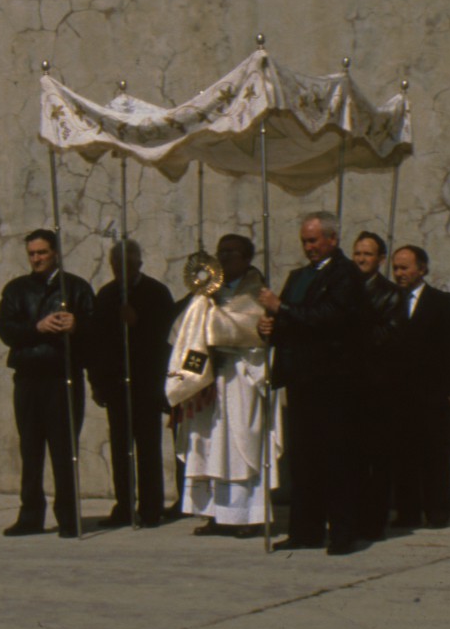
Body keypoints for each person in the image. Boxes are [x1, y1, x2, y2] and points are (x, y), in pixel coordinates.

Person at [257, 211, 370, 555]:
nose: (309, 248)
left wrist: (282, 309)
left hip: (334, 380)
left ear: (332, 240)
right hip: (302, 379)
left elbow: (329, 319)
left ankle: (343, 532)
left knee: (336, 458)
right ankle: (305, 529)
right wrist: (271, 328)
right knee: (304, 460)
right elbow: (292, 323)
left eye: (314, 241)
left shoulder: (345, 275)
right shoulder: (299, 276)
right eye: (305, 241)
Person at [0, 229, 95, 538]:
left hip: (62, 378)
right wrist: (37, 327)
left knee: (65, 450)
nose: (37, 259)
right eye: (32, 254)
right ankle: (30, 515)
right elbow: (5, 328)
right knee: (31, 450)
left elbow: (97, 331)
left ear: (56, 253)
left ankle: (68, 516)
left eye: (42, 253)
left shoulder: (75, 288)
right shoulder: (16, 289)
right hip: (28, 378)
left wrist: (77, 325)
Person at [171, 234, 269, 536]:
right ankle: (214, 513)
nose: (224, 258)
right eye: (220, 251)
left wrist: (213, 326)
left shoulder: (255, 293)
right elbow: (183, 331)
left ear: (247, 258)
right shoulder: (205, 294)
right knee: (209, 443)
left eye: (232, 253)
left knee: (240, 446)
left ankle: (246, 516)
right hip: (210, 378)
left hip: (241, 374)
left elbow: (251, 329)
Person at [87, 238, 175, 526]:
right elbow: (97, 342)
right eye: (115, 265)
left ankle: (151, 508)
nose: (119, 270)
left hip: (146, 384)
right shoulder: (107, 294)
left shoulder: (156, 293)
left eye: (126, 264)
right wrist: (96, 381)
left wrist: (138, 322)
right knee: (121, 448)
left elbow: (164, 336)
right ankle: (124, 506)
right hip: (116, 384)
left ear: (138, 264)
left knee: (148, 447)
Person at [386, 245, 450, 529]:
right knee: (403, 455)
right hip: (399, 394)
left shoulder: (442, 303)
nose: (399, 273)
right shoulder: (389, 301)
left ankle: (437, 511)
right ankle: (408, 512)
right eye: (396, 268)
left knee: (434, 455)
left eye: (405, 268)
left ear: (422, 269)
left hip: (432, 394)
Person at [347, 230, 401, 541]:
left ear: (380, 259)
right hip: (349, 387)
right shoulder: (345, 288)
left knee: (376, 460)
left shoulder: (389, 294)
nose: (361, 260)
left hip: (377, 388)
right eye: (357, 254)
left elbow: (387, 336)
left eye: (367, 255)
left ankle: (374, 520)